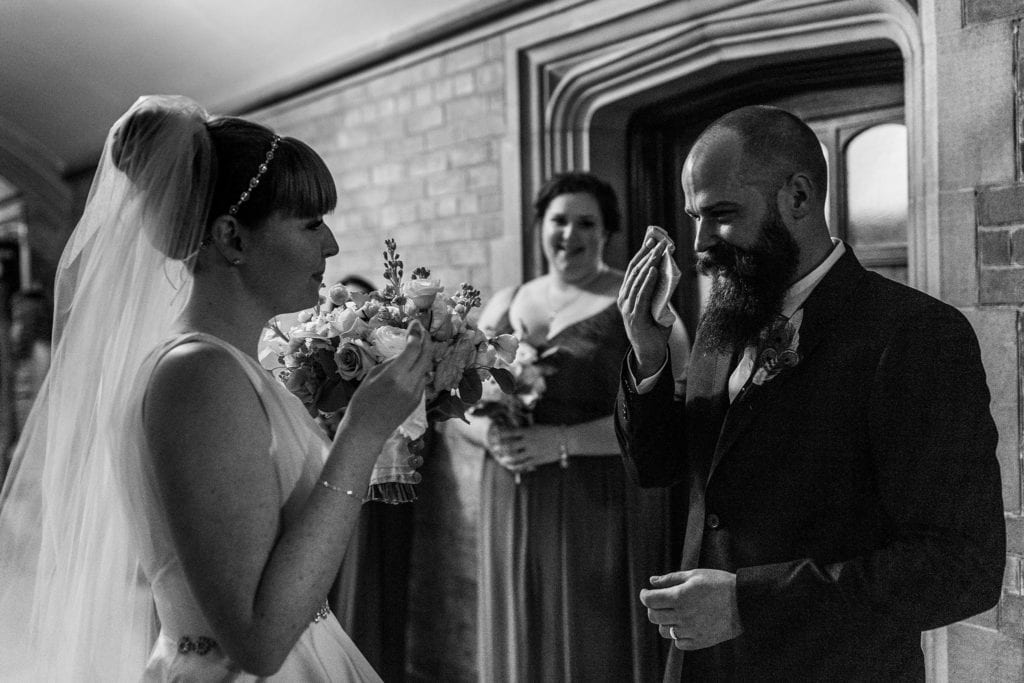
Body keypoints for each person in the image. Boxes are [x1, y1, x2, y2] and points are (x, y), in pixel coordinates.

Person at [0, 95, 432, 680]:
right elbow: (257, 641)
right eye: (310, 224)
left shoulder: (228, 367)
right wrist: (363, 432)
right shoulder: (196, 376)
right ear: (232, 237)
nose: (329, 245)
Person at [615, 104, 1006, 681]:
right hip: (705, 666)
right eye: (696, 216)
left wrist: (749, 602)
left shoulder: (914, 335)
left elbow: (961, 566)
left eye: (721, 214)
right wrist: (648, 354)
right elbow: (658, 468)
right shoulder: (723, 321)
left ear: (798, 197)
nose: (701, 243)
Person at [466, 171, 690, 681]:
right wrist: (493, 436)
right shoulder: (506, 301)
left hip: (601, 496)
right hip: (513, 492)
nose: (570, 234)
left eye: (585, 222)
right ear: (540, 227)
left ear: (607, 231)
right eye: (559, 220)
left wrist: (559, 441)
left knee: (594, 634)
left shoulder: (644, 306)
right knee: (525, 620)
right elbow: (456, 407)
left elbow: (674, 416)